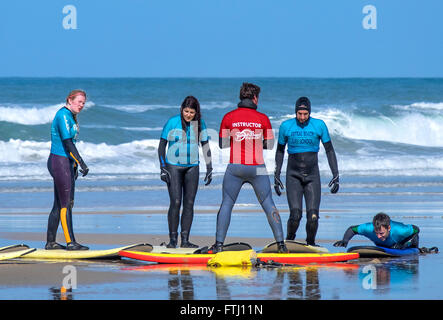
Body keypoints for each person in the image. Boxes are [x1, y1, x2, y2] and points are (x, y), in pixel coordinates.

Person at [212, 82, 287, 253]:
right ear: (254, 98)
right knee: (268, 203)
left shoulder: (228, 117)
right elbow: (269, 145)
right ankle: (281, 245)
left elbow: (223, 144)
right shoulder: (263, 118)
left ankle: (219, 245)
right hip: (258, 168)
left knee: (227, 204)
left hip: (235, 168)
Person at [274, 96, 339, 246]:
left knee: (313, 216)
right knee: (295, 215)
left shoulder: (319, 125)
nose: (302, 117)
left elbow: (329, 150)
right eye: (299, 114)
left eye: (305, 114)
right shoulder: (286, 126)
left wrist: (335, 174)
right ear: (295, 112)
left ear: (309, 113)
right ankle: (289, 240)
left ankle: (310, 243)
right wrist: (276, 175)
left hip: (312, 176)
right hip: (293, 176)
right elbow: (279, 152)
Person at [158, 96, 212, 248]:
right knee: (175, 202)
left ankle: (185, 240)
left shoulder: (199, 124)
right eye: (186, 111)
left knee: (189, 203)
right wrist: (162, 168)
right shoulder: (172, 122)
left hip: (192, 166)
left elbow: (205, 146)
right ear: (181, 109)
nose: (188, 115)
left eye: (192, 112)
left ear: (196, 112)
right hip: (173, 166)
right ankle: (173, 240)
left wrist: (209, 168)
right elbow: (162, 146)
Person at [46, 90, 89, 250]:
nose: (82, 105)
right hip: (59, 162)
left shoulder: (70, 116)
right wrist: (81, 162)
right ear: (69, 100)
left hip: (66, 163)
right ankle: (71, 242)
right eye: (79, 102)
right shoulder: (63, 115)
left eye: (83, 103)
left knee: (59, 204)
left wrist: (75, 165)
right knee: (66, 204)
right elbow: (67, 143)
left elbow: (71, 145)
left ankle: (50, 242)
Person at [333, 212, 420, 249]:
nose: (378, 236)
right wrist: (345, 241)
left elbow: (416, 229)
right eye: (376, 233)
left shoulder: (400, 230)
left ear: (388, 228)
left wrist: (401, 243)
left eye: (381, 233)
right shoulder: (368, 228)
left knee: (413, 240)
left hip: (403, 243)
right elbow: (352, 229)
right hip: (384, 245)